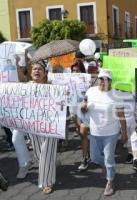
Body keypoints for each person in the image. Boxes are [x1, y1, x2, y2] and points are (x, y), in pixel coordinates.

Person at [12, 61, 59, 194]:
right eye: (34, 69)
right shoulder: (26, 87)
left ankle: (46, 181)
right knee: (39, 153)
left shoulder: (52, 87)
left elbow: (61, 103)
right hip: (33, 126)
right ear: (31, 73)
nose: (36, 71)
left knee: (46, 151)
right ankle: (50, 164)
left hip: (51, 126)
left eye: (39, 69)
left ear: (45, 74)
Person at [81, 69, 128, 196]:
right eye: (101, 78)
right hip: (95, 131)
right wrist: (83, 107)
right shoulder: (91, 91)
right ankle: (107, 167)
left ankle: (110, 181)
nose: (103, 81)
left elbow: (121, 115)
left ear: (111, 82)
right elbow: (84, 109)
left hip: (111, 132)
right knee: (95, 157)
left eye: (107, 79)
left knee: (108, 157)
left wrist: (124, 133)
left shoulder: (116, 95)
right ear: (98, 79)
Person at [70, 60, 91, 171]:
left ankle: (85, 158)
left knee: (83, 133)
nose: (75, 73)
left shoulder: (87, 82)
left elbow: (90, 97)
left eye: (77, 71)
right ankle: (88, 153)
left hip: (85, 111)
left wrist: (86, 102)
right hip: (74, 111)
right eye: (73, 71)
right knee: (81, 134)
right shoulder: (69, 82)